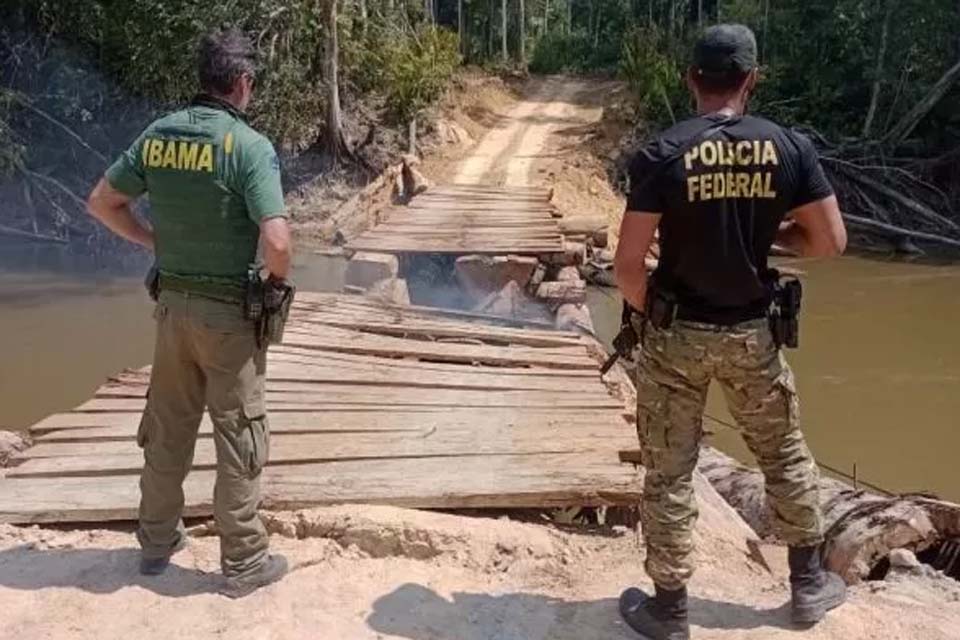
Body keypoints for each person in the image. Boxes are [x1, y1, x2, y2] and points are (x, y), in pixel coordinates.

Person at [613, 24, 848, 639]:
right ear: (751, 80)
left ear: (691, 78)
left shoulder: (662, 154)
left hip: (676, 336)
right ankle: (806, 585)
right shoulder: (789, 149)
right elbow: (829, 242)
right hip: (753, 334)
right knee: (785, 455)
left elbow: (628, 267)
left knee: (669, 471)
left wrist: (651, 313)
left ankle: (670, 608)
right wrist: (768, 237)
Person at [86, 27, 292, 599]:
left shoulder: (158, 137)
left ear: (203, 79)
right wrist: (274, 284)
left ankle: (155, 544)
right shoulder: (248, 147)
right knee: (239, 435)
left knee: (168, 428)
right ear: (244, 83)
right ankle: (245, 560)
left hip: (172, 310)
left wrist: (155, 242)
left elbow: (101, 201)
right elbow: (277, 243)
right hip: (230, 318)